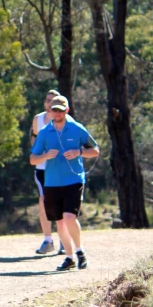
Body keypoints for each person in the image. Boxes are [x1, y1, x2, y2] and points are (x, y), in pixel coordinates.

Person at [30, 96, 99, 271]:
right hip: (52, 182)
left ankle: (80, 251)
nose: (58, 113)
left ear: (67, 110)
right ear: (51, 111)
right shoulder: (44, 132)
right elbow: (32, 159)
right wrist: (45, 156)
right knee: (60, 222)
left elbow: (95, 150)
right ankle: (69, 258)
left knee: (69, 217)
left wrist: (79, 151)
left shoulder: (77, 129)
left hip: (74, 179)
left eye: (61, 110)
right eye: (55, 110)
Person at [31, 90, 66, 255]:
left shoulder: (65, 120)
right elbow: (33, 137)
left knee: (62, 203)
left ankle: (65, 241)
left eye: (53, 101)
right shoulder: (38, 119)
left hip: (60, 168)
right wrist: (38, 153)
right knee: (44, 201)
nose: (50, 104)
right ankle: (47, 240)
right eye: (47, 100)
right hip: (43, 168)